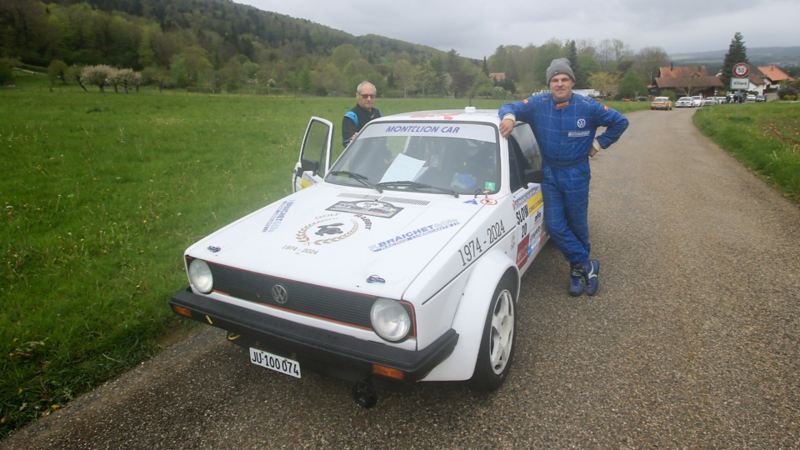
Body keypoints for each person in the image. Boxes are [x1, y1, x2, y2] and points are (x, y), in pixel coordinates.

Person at [498, 58, 629, 297]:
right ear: (549, 84)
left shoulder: (588, 106)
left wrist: (599, 144)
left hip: (576, 172)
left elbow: (620, 122)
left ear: (572, 82)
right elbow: (510, 106)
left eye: (564, 79)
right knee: (556, 226)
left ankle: (577, 270)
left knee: (577, 223)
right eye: (555, 80)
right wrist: (508, 117)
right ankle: (587, 264)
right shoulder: (538, 104)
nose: (559, 84)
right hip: (550, 172)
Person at [342, 81, 382, 147]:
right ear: (357, 96)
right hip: (361, 156)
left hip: (380, 154)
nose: (369, 99)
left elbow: (384, 139)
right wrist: (354, 140)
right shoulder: (351, 117)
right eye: (365, 96)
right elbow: (347, 144)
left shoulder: (379, 113)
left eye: (372, 96)